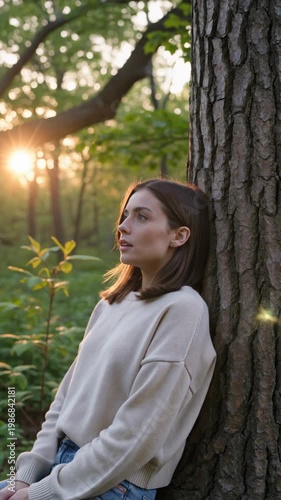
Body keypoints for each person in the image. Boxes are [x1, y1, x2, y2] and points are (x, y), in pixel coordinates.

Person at [0, 178, 216, 500]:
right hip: (60, 468)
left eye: (141, 217)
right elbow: (65, 401)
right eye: (125, 216)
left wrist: (42, 493)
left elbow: (138, 433)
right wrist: (27, 474)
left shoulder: (183, 310)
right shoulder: (112, 304)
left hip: (115, 483)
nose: (123, 228)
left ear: (179, 235)